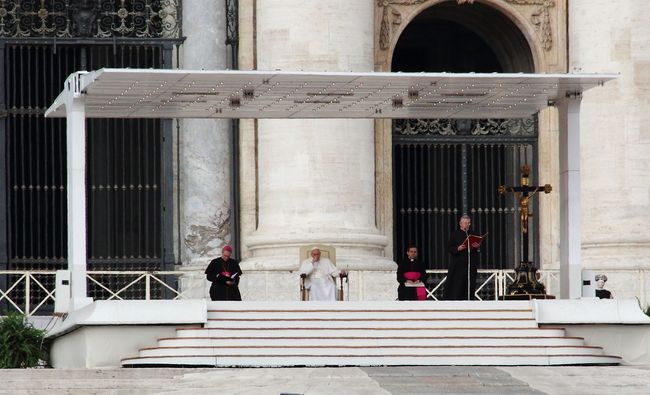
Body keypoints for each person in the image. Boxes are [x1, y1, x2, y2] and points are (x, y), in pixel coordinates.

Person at [443, 215, 481, 300]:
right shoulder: (455, 234)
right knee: (458, 285)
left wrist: (477, 245)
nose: (466, 224)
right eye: (464, 223)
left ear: (470, 224)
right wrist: (457, 248)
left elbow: (475, 247)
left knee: (470, 284)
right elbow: (449, 247)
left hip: (470, 264)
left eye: (468, 223)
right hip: (458, 265)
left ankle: (469, 300)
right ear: (460, 223)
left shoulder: (473, 234)